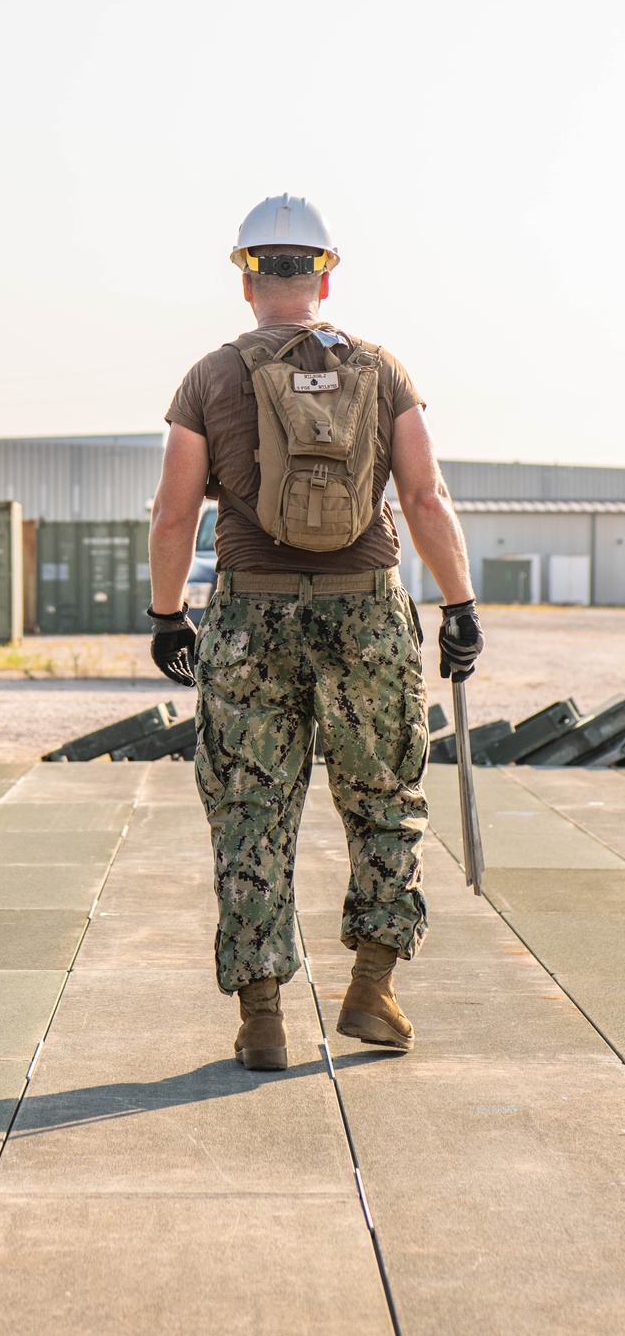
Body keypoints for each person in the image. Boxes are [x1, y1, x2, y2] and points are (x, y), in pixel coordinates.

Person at [147, 194, 483, 1068]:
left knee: (250, 807)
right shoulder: (382, 370)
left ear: (247, 275)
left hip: (251, 613)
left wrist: (167, 615)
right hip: (367, 609)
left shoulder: (211, 377)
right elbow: (424, 498)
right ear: (326, 273)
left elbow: (175, 512)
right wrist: (460, 607)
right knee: (384, 799)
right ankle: (373, 988)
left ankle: (263, 1017)